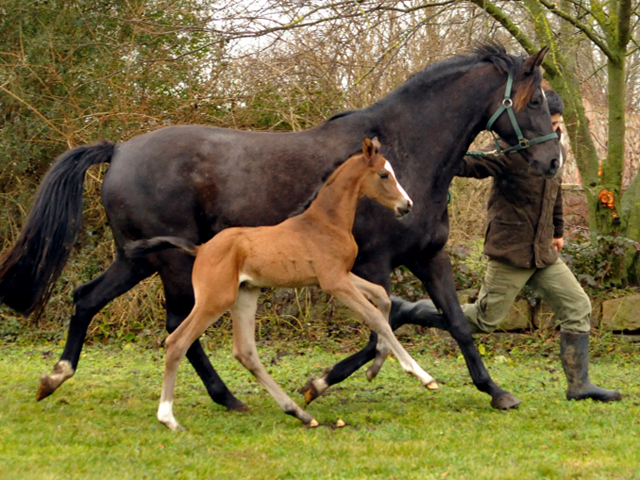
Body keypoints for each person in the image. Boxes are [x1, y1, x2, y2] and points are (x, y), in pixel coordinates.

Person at [391, 90, 621, 402]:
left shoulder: (555, 148)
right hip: (510, 249)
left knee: (578, 307)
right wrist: (439, 150)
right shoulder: (507, 149)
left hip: (543, 252)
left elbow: (554, 194)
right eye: (550, 123)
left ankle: (579, 385)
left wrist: (557, 230)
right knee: (485, 319)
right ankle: (406, 310)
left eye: (558, 124)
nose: (554, 129)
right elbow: (469, 165)